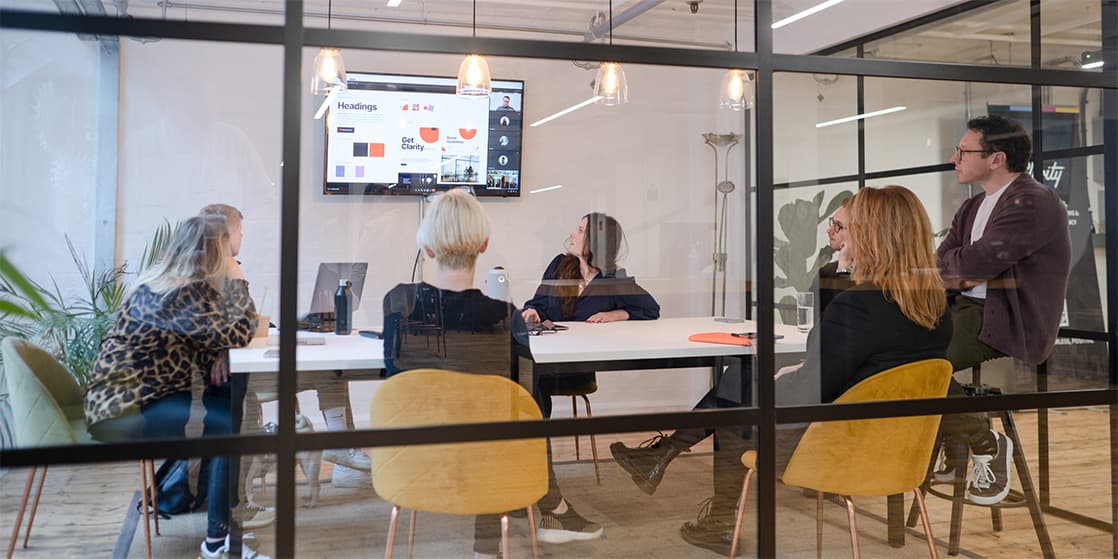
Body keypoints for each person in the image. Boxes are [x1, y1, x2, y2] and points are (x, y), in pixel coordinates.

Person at [608, 199, 855, 554]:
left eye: (839, 226)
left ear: (862, 234)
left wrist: (801, 364)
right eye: (831, 222)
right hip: (827, 381)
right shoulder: (834, 271)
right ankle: (667, 463)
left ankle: (690, 486)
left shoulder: (858, 285)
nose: (830, 229)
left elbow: (833, 342)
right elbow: (824, 334)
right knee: (742, 373)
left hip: (834, 404)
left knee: (737, 398)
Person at [382, 189, 600, 558]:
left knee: (487, 418)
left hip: (411, 463)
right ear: (483, 245)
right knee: (501, 420)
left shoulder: (398, 303)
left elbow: (399, 385)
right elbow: (524, 406)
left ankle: (539, 513)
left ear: (427, 249)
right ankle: (491, 545)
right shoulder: (503, 316)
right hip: (486, 465)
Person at [83, 215, 269, 559]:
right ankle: (218, 540)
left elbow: (214, 335)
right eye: (227, 246)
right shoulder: (179, 293)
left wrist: (222, 352)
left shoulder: (166, 284)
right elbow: (239, 330)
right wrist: (238, 278)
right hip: (127, 409)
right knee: (226, 423)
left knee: (226, 410)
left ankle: (222, 527)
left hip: (130, 399)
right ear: (215, 252)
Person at [936, 115, 1071, 505]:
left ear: (996, 159)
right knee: (892, 351)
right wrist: (962, 264)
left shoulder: (1034, 201)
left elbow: (976, 263)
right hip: (964, 308)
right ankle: (958, 440)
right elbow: (946, 260)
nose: (954, 158)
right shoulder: (973, 206)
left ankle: (985, 442)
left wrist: (962, 264)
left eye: (963, 151)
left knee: (920, 362)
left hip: (1004, 319)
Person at [200, 204, 373, 489]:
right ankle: (343, 450)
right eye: (239, 230)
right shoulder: (221, 274)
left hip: (242, 368)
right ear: (225, 235)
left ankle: (344, 456)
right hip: (239, 379)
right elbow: (240, 327)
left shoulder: (213, 271)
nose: (242, 236)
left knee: (330, 369)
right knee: (330, 372)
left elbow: (242, 323)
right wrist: (239, 278)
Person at [521, 213, 661, 421]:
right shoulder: (559, 266)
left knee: (529, 379)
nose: (572, 234)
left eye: (580, 231)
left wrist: (616, 314)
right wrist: (532, 311)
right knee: (525, 376)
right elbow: (538, 304)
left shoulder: (613, 279)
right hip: (547, 356)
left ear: (597, 241)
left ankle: (535, 438)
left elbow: (651, 309)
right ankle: (535, 437)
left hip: (577, 365)